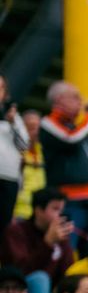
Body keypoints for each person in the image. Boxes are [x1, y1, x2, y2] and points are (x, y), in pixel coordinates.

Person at [39, 81, 88, 242]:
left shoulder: (80, 130)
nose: (80, 101)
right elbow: (70, 139)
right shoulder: (49, 123)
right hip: (70, 203)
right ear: (59, 100)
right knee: (68, 250)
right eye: (75, 97)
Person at [4, 185, 75, 293]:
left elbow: (67, 276)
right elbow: (20, 272)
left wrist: (65, 245)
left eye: (62, 210)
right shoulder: (16, 231)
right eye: (55, 209)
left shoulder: (61, 239)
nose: (60, 215)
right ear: (38, 210)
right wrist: (47, 243)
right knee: (40, 279)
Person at [0, 76, 30, 234]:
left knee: (3, 226)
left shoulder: (14, 118)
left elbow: (24, 146)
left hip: (9, 178)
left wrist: (13, 123)